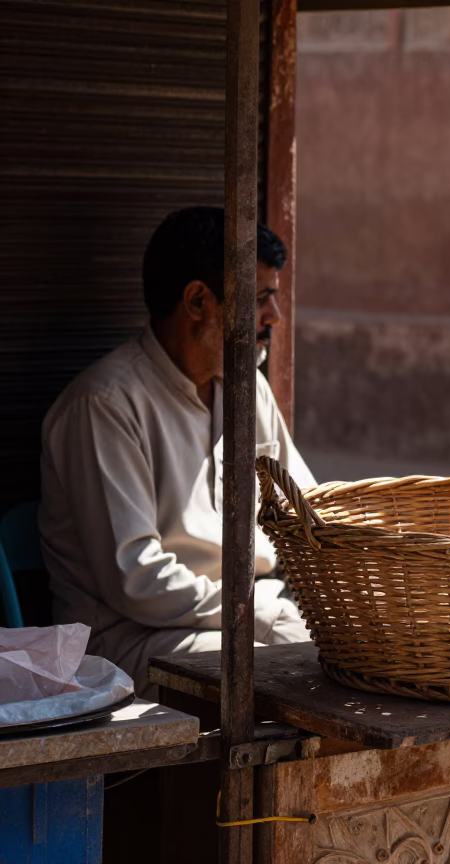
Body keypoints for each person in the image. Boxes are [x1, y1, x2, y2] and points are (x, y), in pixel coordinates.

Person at [39, 207, 314, 697]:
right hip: (130, 644)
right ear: (197, 301)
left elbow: (306, 507)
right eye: (262, 298)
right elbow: (137, 578)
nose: (274, 317)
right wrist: (260, 610)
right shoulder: (105, 404)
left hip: (250, 617)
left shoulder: (247, 387)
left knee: (349, 651)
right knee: (291, 670)